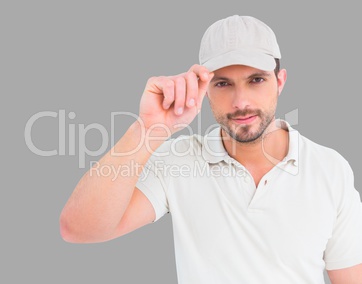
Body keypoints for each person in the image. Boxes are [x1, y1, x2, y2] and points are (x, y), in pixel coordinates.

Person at [59, 15, 362, 283]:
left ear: (280, 81)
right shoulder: (179, 161)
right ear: (204, 90)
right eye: (222, 84)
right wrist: (149, 129)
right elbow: (79, 228)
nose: (241, 101)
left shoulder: (329, 168)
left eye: (256, 80)